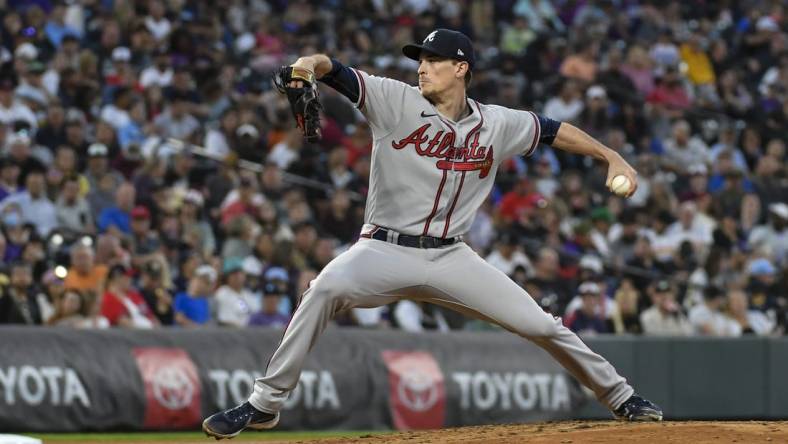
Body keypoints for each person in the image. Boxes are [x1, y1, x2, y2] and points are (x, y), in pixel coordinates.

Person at [203, 28, 662, 439]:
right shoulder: (394, 100)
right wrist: (305, 67)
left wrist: (610, 156)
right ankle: (265, 406)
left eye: (433, 60)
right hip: (382, 248)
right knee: (322, 290)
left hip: (451, 258)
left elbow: (555, 131)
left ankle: (621, 397)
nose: (422, 67)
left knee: (541, 324)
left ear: (460, 68)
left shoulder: (497, 123)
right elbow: (330, 68)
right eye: (419, 59)